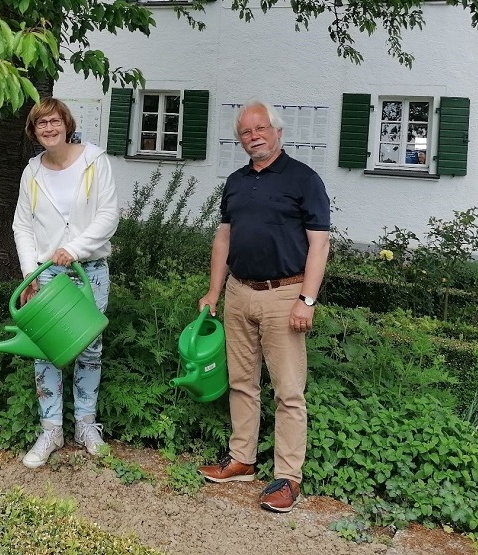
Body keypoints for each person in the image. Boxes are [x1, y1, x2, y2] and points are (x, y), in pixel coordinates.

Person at [197, 99, 331, 513]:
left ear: (277, 132)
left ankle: (288, 478)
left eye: (260, 129)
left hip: (283, 295)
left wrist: (307, 300)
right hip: (238, 292)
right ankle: (243, 459)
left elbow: (320, 243)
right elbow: (224, 239)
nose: (253, 136)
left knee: (288, 392)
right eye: (245, 132)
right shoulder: (235, 181)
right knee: (241, 382)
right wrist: (213, 292)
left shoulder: (304, 179)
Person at [12, 97, 120, 468]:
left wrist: (73, 249)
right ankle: (51, 428)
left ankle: (86, 425)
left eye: (55, 121)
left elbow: (108, 215)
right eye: (41, 123)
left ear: (67, 124)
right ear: (34, 131)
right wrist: (30, 275)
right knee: (45, 351)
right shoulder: (32, 172)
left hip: (90, 271)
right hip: (49, 275)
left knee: (89, 348)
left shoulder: (94, 160)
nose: (49, 128)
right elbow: (22, 226)